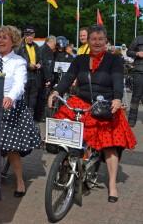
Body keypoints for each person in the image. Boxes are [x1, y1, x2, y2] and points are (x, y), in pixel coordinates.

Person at [48, 24, 136, 203]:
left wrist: (118, 98)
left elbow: (118, 81)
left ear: (106, 41)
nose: (97, 42)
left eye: (100, 39)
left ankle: (112, 184)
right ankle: (67, 165)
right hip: (82, 101)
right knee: (65, 134)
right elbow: (67, 78)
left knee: (110, 145)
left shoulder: (114, 60)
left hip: (105, 104)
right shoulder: (79, 59)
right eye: (93, 39)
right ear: (88, 41)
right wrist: (56, 91)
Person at [0, 25, 41, 197]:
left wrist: (10, 97)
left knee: (11, 147)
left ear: (13, 41)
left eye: (5, 38)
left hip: (10, 107)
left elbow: (19, 84)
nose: (0, 40)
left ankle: (20, 182)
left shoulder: (19, 61)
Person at [16, 26, 42, 117]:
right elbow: (17, 60)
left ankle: (30, 117)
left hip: (35, 75)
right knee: (24, 97)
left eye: (31, 35)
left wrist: (39, 64)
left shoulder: (36, 46)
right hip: (25, 74)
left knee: (33, 97)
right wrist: (28, 65)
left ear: (34, 35)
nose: (30, 37)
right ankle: (23, 116)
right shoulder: (20, 47)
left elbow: (40, 59)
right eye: (28, 35)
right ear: (25, 36)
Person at [35, 35, 56, 122]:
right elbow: (47, 66)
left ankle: (37, 116)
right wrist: (48, 79)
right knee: (42, 99)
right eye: (55, 44)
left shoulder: (40, 49)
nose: (55, 46)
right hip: (43, 79)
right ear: (51, 42)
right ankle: (40, 117)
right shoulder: (47, 51)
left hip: (39, 78)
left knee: (39, 98)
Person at [126, 35, 143, 127]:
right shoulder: (138, 39)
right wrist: (137, 53)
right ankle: (132, 119)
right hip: (139, 71)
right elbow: (128, 52)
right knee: (136, 96)